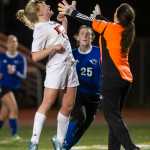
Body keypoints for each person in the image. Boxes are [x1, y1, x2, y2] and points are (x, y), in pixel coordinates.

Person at [58, 1, 140, 150]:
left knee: (113, 118)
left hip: (112, 79)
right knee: (114, 118)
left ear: (118, 17)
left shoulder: (110, 28)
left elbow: (88, 21)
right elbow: (106, 24)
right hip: (126, 79)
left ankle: (131, 147)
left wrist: (71, 12)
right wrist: (100, 16)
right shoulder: (125, 29)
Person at [16, 0, 79, 150]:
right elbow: (35, 56)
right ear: (39, 12)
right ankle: (34, 142)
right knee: (47, 103)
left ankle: (59, 140)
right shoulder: (40, 28)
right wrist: (52, 48)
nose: (48, 5)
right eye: (44, 5)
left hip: (70, 66)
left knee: (68, 105)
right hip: (56, 68)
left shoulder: (51, 24)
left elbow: (62, 39)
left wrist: (64, 22)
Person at [60, 25, 102, 150]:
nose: (85, 36)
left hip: (94, 95)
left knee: (85, 124)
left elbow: (105, 72)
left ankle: (65, 146)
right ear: (77, 37)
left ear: (92, 38)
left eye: (88, 34)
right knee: (79, 116)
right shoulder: (72, 54)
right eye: (82, 33)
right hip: (77, 92)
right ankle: (61, 141)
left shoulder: (98, 52)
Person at [0, 35, 27, 140]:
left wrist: (15, 72)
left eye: (15, 42)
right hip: (3, 88)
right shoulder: (1, 57)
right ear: (7, 44)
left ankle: (14, 135)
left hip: (16, 89)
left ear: (17, 44)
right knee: (14, 109)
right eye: (10, 42)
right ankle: (14, 135)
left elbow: (23, 75)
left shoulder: (21, 58)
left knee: (3, 114)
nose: (12, 44)